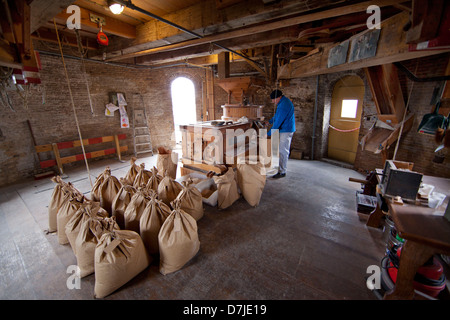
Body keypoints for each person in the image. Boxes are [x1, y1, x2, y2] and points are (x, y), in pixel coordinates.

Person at [267, 89, 295, 178]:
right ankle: (281, 168)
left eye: (274, 99)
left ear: (279, 97)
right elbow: (277, 116)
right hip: (285, 128)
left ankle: (282, 171)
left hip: (286, 130)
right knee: (282, 150)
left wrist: (268, 134)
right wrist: (269, 121)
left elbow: (278, 121)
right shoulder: (282, 103)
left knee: (283, 151)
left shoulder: (284, 105)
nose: (273, 101)